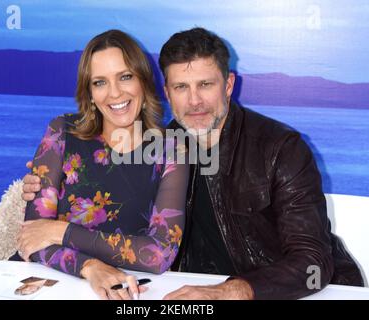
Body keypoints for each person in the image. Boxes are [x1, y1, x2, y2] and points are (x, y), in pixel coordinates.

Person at [22, 27, 364, 300]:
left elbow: (311, 262)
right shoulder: (163, 146)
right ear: (167, 93)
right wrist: (49, 188)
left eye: (205, 84)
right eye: (181, 87)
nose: (195, 100)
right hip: (188, 291)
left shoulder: (280, 149)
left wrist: (232, 291)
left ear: (229, 85)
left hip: (285, 293)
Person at [15, 29, 189, 300]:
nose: (114, 93)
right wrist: (90, 267)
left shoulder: (171, 150)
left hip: (127, 291)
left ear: (143, 80)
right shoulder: (61, 132)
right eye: (100, 82)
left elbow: (159, 255)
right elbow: (31, 240)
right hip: (46, 285)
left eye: (125, 77)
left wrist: (62, 232)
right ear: (90, 93)